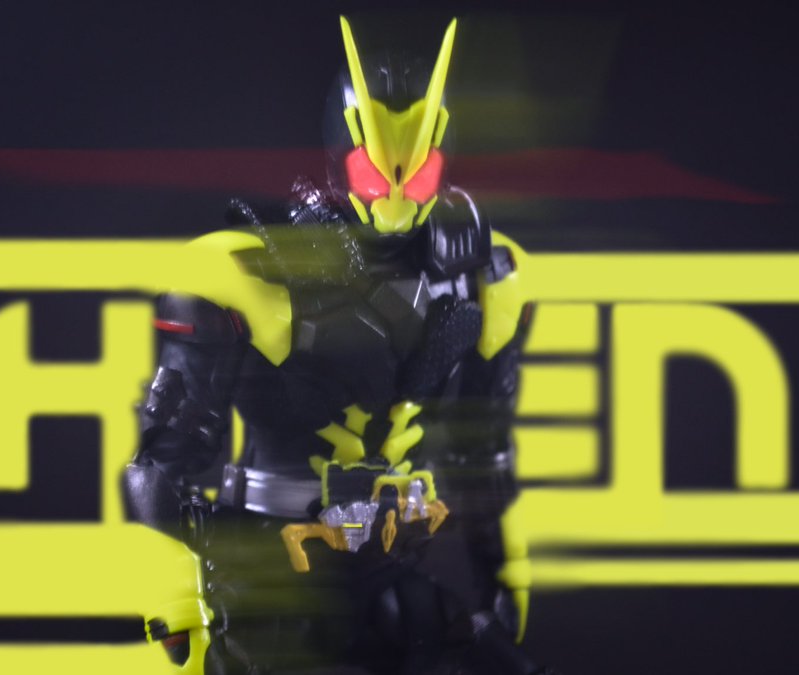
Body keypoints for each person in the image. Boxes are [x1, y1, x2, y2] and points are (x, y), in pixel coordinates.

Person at [125, 17, 553, 675]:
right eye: (375, 173)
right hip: (271, 579)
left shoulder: (482, 277)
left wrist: (506, 567)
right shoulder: (251, 273)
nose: (396, 191)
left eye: (418, 174)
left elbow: (483, 451)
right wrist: (178, 605)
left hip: (388, 574)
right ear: (341, 157)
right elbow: (160, 466)